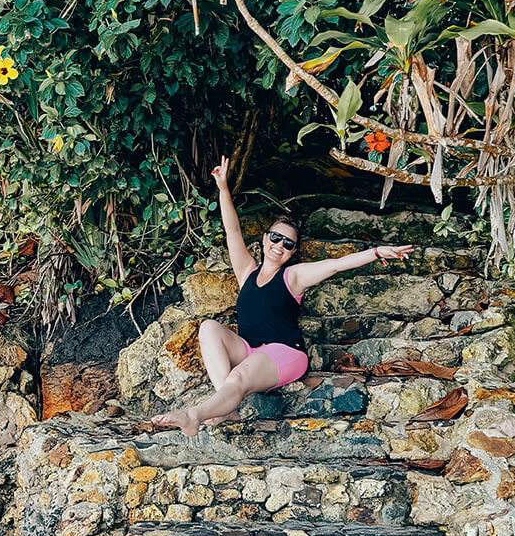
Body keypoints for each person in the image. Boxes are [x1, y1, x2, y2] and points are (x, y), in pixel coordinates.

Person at [151, 156, 413, 436]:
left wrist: (375, 252)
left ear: (292, 252)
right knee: (208, 328)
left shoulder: (293, 277)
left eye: (288, 244)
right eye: (275, 238)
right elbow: (233, 230)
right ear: (265, 239)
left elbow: (335, 265)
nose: (279, 245)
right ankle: (226, 405)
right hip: (250, 349)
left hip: (284, 353)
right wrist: (223, 188)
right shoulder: (247, 273)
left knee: (238, 377)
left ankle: (195, 415)